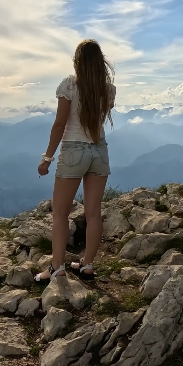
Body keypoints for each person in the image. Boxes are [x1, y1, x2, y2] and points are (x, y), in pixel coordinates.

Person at [35, 39, 115, 282]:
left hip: (73, 151)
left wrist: (47, 158)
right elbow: (99, 119)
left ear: (77, 61)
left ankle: (56, 267)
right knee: (93, 213)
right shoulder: (109, 89)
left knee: (60, 212)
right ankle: (88, 264)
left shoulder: (69, 85)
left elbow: (60, 124)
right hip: (99, 151)